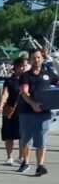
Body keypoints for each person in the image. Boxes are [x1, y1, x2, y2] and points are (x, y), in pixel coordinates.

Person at [16, 48, 59, 176]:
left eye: (39, 57)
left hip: (44, 112)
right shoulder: (25, 76)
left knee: (42, 140)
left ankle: (40, 165)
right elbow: (24, 92)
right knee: (25, 140)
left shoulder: (49, 74)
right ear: (30, 60)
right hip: (27, 112)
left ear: (43, 58)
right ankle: (26, 161)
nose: (36, 60)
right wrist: (33, 103)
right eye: (34, 58)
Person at [0, 57, 27, 165]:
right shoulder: (9, 81)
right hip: (10, 109)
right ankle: (9, 157)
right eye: (22, 66)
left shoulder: (27, 80)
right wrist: (0, 106)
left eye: (25, 66)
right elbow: (5, 94)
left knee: (22, 135)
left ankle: (21, 156)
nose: (24, 68)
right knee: (9, 135)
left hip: (24, 110)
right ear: (17, 67)